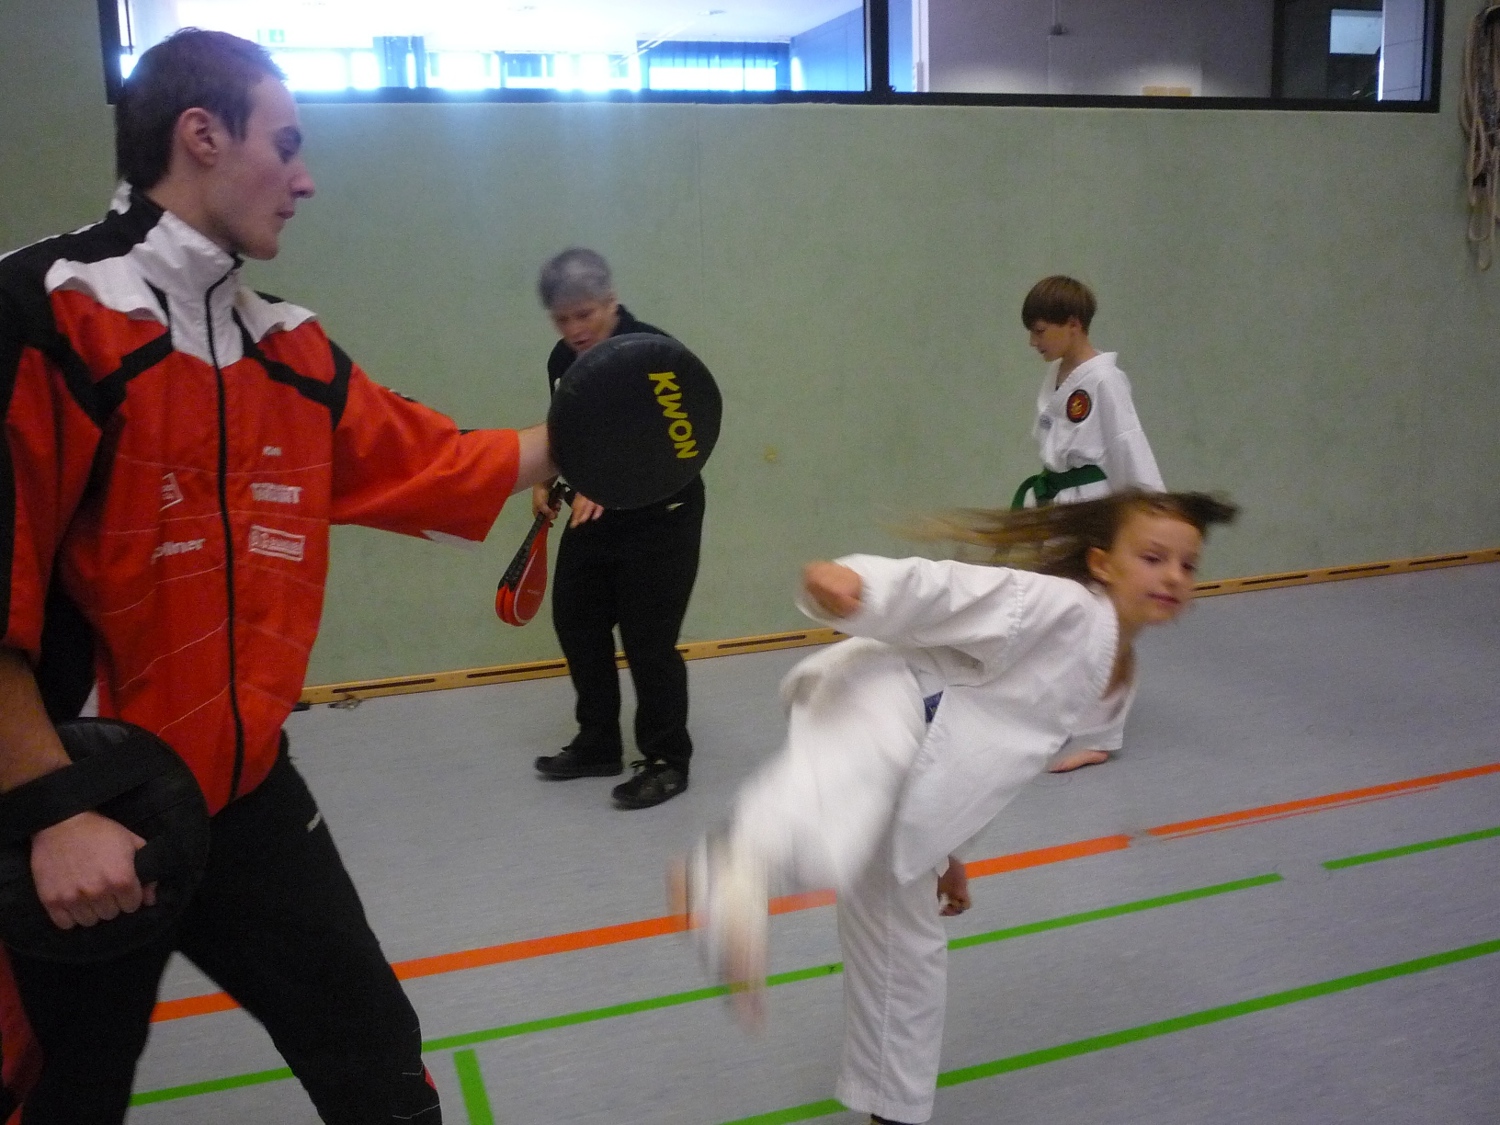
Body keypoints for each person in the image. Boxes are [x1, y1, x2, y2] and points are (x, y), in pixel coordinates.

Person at [0, 30, 557, 1123]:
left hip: (246, 793)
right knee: (63, 1099)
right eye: (288, 145)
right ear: (202, 135)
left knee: (380, 1069)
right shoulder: (46, 311)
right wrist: (54, 810)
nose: (306, 181)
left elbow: (439, 462)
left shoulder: (288, 350)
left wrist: (599, 425)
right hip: (79, 818)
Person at [676, 489, 1236, 1125]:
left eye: (1187, 565)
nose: (1173, 575)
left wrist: (948, 853)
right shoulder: (1066, 608)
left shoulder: (1116, 674)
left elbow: (994, 759)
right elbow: (949, 590)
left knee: (908, 952)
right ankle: (734, 864)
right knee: (850, 786)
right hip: (884, 692)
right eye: (1153, 557)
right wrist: (860, 584)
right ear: (1102, 563)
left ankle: (892, 1108)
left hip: (921, 765)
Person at [530, 249, 705, 809]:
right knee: (576, 622)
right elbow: (570, 428)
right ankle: (598, 741)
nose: (574, 330)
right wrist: (547, 477)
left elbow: (681, 444)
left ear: (611, 301)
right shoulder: (564, 359)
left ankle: (667, 759)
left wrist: (607, 483)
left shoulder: (655, 356)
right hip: (594, 510)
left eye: (584, 314)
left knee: (648, 642)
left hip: (663, 514)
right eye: (562, 319)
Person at [1017, 275, 1166, 772]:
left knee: (1101, 622)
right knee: (1057, 614)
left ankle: (1100, 734)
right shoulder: (1059, 374)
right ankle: (1061, 711)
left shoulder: (1104, 381)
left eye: (1041, 331)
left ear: (1073, 324)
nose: (1033, 342)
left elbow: (1128, 445)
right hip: (1060, 506)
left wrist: (1156, 519)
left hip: (1095, 509)